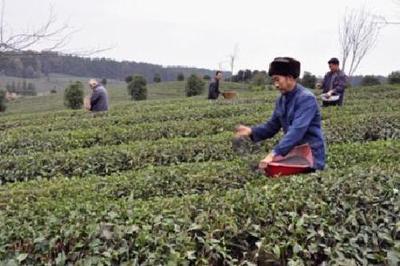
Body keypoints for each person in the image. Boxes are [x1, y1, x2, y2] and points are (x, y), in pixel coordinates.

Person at [235, 57, 326, 171]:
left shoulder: (306, 99)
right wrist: (251, 131)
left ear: (290, 78)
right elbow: (272, 126)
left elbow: (297, 130)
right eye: (274, 81)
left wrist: (274, 154)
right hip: (295, 153)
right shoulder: (281, 100)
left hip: (311, 156)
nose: (276, 85)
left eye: (278, 80)